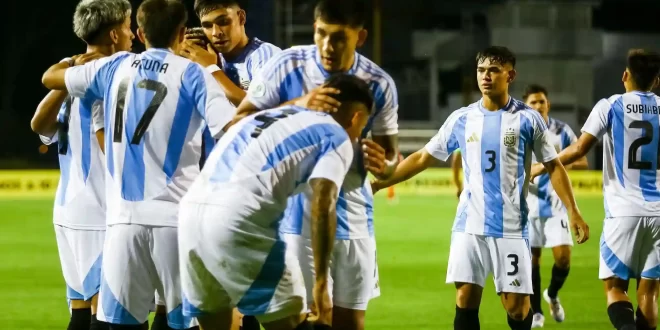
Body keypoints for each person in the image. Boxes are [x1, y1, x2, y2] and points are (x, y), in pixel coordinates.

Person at [40, 0, 236, 329]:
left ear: (141, 33)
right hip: (176, 223)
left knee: (115, 324)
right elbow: (231, 130)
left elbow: (51, 78)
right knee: (181, 322)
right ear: (181, 32)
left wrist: (76, 62)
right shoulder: (192, 73)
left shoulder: (114, 67)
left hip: (122, 224)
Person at [371, 46, 589, 330]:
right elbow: (423, 157)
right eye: (481, 70)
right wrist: (381, 182)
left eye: (494, 71)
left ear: (510, 75)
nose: (486, 76)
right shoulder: (462, 118)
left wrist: (573, 210)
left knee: (518, 309)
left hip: (511, 226)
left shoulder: (528, 119)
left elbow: (554, 167)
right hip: (469, 224)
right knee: (465, 298)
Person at [230, 1, 399, 328]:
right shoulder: (288, 64)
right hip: (295, 218)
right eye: (321, 34)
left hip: (354, 216)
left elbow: (391, 155)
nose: (327, 46)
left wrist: (386, 165)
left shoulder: (379, 83)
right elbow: (240, 123)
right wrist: (298, 104)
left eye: (338, 38)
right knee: (309, 320)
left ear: (360, 37)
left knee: (351, 323)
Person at [178, 73, 373, 330]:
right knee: (292, 322)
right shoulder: (336, 134)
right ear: (357, 118)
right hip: (238, 219)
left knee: (215, 323)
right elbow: (323, 203)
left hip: (190, 215)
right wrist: (322, 284)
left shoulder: (268, 115)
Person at [530, 49, 660, 330]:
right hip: (659, 213)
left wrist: (542, 167)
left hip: (623, 212)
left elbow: (579, 149)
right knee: (649, 293)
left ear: (625, 76)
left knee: (615, 289)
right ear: (656, 81)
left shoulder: (610, 105)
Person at [31, 1, 134, 329]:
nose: (134, 35)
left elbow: (40, 128)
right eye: (130, 27)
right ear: (115, 34)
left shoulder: (67, 69)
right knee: (105, 314)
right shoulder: (118, 72)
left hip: (67, 210)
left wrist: (69, 75)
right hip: (101, 211)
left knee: (79, 310)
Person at [179, 0, 281, 171]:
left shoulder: (267, 56)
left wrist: (212, 70)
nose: (216, 32)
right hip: (218, 170)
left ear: (241, 17)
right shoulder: (206, 57)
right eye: (207, 26)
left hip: (258, 169)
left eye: (223, 22)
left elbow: (258, 108)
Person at [520, 84, 588, 328]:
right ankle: (537, 311)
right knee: (533, 260)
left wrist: (555, 164)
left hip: (556, 206)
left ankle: (553, 294)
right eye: (532, 103)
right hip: (527, 206)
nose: (538, 106)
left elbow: (582, 160)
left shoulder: (562, 131)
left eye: (541, 102)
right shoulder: (518, 130)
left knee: (563, 260)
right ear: (525, 107)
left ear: (548, 104)